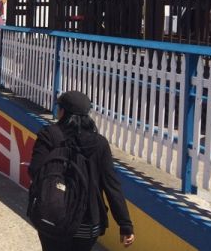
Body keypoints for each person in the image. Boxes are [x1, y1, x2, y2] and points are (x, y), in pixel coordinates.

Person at [29, 91, 135, 251]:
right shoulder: (99, 144)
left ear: (63, 112)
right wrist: (125, 224)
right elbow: (112, 186)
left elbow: (35, 170)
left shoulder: (49, 135)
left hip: (53, 217)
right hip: (87, 222)